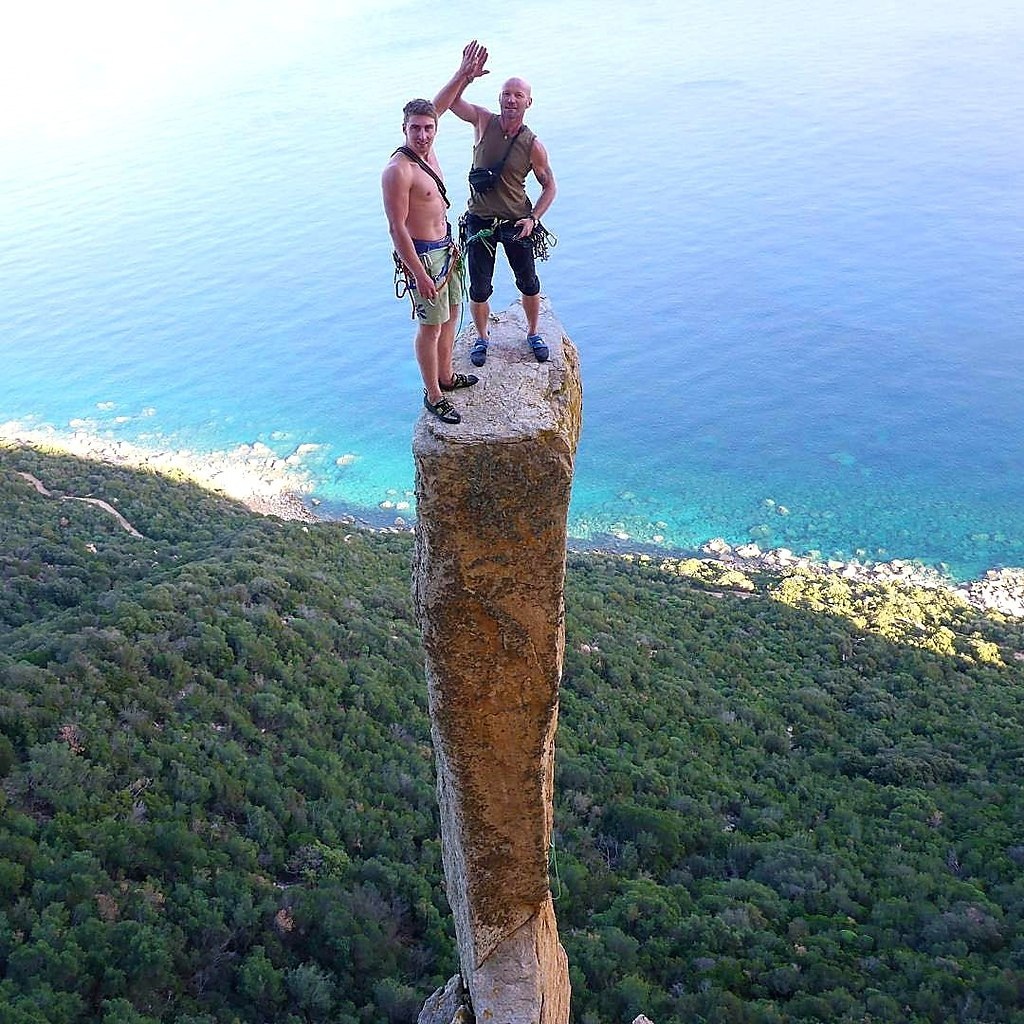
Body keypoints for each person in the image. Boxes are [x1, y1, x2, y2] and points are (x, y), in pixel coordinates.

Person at [382, 42, 488, 424]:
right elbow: (396, 228)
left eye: (428, 128)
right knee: (430, 327)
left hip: (449, 251)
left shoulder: (430, 150)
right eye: (416, 129)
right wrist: (419, 274)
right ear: (404, 129)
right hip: (425, 257)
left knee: (451, 316)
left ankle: (446, 375)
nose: (424, 135)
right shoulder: (399, 170)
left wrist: (463, 74)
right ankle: (433, 394)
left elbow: (438, 104)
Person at [447, 63, 557, 366]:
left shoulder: (533, 145)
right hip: (480, 221)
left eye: (517, 95)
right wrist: (465, 77)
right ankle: (482, 338)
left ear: (528, 103)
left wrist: (533, 218)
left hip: (516, 222)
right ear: (499, 98)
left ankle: (534, 332)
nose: (511, 100)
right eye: (506, 94)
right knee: (480, 287)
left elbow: (549, 186)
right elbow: (453, 103)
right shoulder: (483, 122)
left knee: (528, 281)